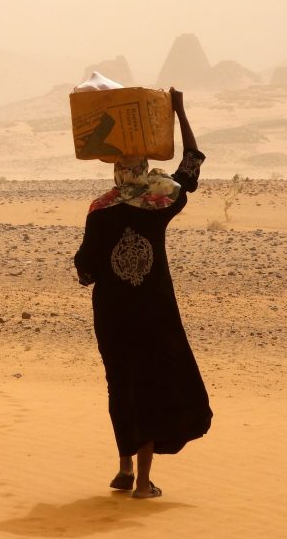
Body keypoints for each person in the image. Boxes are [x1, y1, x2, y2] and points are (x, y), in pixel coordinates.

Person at [73, 88, 212, 499]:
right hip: (153, 309)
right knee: (151, 384)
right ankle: (144, 483)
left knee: (120, 384)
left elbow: (85, 268)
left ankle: (124, 468)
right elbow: (191, 164)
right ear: (147, 167)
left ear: (115, 169)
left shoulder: (100, 209)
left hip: (112, 313)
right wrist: (181, 110)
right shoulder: (159, 200)